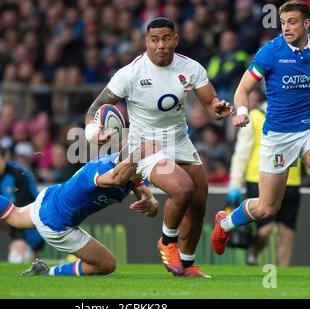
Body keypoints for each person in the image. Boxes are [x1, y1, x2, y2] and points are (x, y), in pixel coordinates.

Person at [84, 17, 232, 277]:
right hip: (145, 145)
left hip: (178, 139)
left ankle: (187, 265)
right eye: (154, 40)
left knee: (198, 201)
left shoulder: (190, 67)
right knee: (182, 188)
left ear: (175, 39)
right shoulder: (130, 74)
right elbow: (96, 107)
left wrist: (218, 109)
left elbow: (210, 102)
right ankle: (167, 240)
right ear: (147, 42)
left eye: (166, 39)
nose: (161, 45)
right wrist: (92, 131)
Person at [212, 1, 310, 268]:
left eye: (293, 22)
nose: (286, 27)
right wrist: (241, 111)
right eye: (283, 22)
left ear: (307, 23)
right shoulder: (271, 52)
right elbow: (242, 89)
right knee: (267, 208)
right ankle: (225, 223)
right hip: (278, 137)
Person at [0, 141, 160, 276]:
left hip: (50, 198)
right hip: (58, 224)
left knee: (13, 215)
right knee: (107, 264)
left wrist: (150, 201)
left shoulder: (128, 172)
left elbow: (139, 187)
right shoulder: (101, 170)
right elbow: (115, 178)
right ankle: (49, 273)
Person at [228, 100, 310, 266]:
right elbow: (241, 153)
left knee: (287, 232)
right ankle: (254, 251)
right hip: (259, 179)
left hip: (292, 182)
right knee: (265, 231)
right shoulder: (254, 117)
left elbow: (309, 154)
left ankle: (283, 272)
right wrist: (235, 183)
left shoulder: (299, 117)